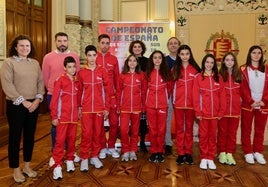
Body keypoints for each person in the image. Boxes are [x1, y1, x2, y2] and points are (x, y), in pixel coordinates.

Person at [0, 35, 45, 183]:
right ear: (15, 47)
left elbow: (40, 81)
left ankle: (27, 166)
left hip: (34, 104)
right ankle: (16, 169)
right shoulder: (9, 62)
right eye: (22, 46)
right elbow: (7, 85)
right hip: (16, 105)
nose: (25, 48)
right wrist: (23, 101)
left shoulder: (34, 63)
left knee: (30, 137)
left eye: (27, 46)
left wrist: (38, 99)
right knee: (15, 137)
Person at [42, 32, 80, 163]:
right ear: (55, 42)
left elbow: (77, 75)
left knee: (70, 127)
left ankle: (70, 152)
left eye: (64, 40)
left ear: (68, 41)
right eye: (59, 41)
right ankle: (56, 153)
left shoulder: (74, 56)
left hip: (70, 96)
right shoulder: (48, 57)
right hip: (54, 95)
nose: (62, 43)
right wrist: (53, 90)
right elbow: (45, 77)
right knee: (56, 125)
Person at [78, 45, 112, 171]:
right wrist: (79, 107)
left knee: (98, 133)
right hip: (86, 109)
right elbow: (79, 91)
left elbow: (108, 91)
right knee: (86, 134)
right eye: (89, 55)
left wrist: (106, 108)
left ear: (97, 56)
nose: (92, 58)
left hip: (99, 108)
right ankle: (84, 158)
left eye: (94, 55)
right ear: (86, 56)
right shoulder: (81, 73)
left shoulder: (103, 71)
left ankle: (94, 156)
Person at [192, 53, 226, 170]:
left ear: (214, 65)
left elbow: (222, 96)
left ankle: (210, 157)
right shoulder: (198, 77)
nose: (209, 65)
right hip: (203, 114)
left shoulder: (219, 78)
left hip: (215, 115)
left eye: (212, 63)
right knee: (204, 136)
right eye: (207, 62)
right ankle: (203, 157)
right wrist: (198, 111)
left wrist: (221, 111)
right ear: (203, 63)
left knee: (212, 136)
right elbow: (195, 96)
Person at [49, 56, 80, 180]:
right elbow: (54, 100)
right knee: (60, 141)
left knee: (72, 140)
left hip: (73, 118)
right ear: (64, 68)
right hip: (62, 117)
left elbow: (77, 101)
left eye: (74, 67)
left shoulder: (76, 81)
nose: (72, 69)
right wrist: (54, 116)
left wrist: (78, 111)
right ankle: (56, 164)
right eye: (69, 67)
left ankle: (70, 159)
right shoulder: (60, 80)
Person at [172, 45, 201, 165]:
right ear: (179, 55)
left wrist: (197, 104)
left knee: (188, 129)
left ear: (190, 55)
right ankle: (180, 153)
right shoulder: (175, 69)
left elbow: (199, 89)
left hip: (191, 105)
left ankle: (188, 153)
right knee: (180, 129)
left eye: (187, 54)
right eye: (182, 54)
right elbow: (172, 87)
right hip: (178, 104)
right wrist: (174, 101)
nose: (185, 56)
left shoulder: (195, 70)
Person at [240, 45, 268, 165]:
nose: (256, 55)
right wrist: (251, 101)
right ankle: (247, 151)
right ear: (249, 54)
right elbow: (242, 88)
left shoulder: (267, 69)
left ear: (261, 55)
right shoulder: (243, 69)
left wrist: (265, 100)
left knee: (260, 129)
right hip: (248, 104)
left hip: (263, 105)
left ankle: (257, 151)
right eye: (254, 52)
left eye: (259, 53)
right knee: (246, 129)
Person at [116, 55, 146, 162]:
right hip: (124, 108)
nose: (132, 63)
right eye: (130, 61)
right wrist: (118, 105)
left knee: (135, 130)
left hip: (137, 108)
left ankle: (133, 149)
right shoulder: (122, 76)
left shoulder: (141, 75)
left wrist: (143, 105)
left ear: (137, 63)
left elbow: (143, 92)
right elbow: (118, 92)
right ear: (127, 63)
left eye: (134, 61)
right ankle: (125, 150)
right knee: (124, 130)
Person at [97, 34, 120, 159]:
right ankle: (102, 147)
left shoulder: (114, 59)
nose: (105, 45)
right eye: (103, 43)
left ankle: (111, 146)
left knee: (114, 123)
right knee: (99, 124)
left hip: (111, 97)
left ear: (109, 44)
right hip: (99, 98)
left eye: (107, 43)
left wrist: (117, 96)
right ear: (99, 44)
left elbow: (117, 79)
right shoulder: (94, 58)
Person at [146, 50, 171, 163]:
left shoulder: (166, 74)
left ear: (162, 60)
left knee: (161, 130)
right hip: (150, 106)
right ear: (152, 59)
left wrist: (163, 100)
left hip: (162, 106)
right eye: (155, 57)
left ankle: (160, 151)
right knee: (152, 129)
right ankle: (154, 151)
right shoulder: (148, 73)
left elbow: (169, 90)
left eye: (159, 57)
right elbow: (144, 89)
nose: (157, 59)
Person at [217, 52, 242, 166]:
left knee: (232, 133)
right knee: (222, 132)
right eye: (227, 60)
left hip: (235, 111)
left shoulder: (239, 75)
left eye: (232, 60)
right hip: (224, 111)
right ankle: (222, 152)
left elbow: (242, 92)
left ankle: (229, 153)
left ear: (235, 62)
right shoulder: (220, 76)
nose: (229, 62)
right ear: (223, 62)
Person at [128, 40, 149, 153]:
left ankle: (142, 142)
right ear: (132, 48)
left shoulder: (147, 61)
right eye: (134, 46)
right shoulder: (129, 61)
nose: (137, 48)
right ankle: (132, 143)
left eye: (139, 46)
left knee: (143, 121)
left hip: (144, 94)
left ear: (142, 48)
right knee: (131, 122)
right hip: (131, 97)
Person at [165, 37, 180, 155]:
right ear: (168, 46)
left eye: (175, 43)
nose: (173, 45)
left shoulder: (184, 59)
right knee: (168, 119)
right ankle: (168, 143)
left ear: (179, 45)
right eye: (171, 43)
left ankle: (182, 144)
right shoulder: (164, 60)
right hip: (169, 94)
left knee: (182, 121)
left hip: (181, 95)